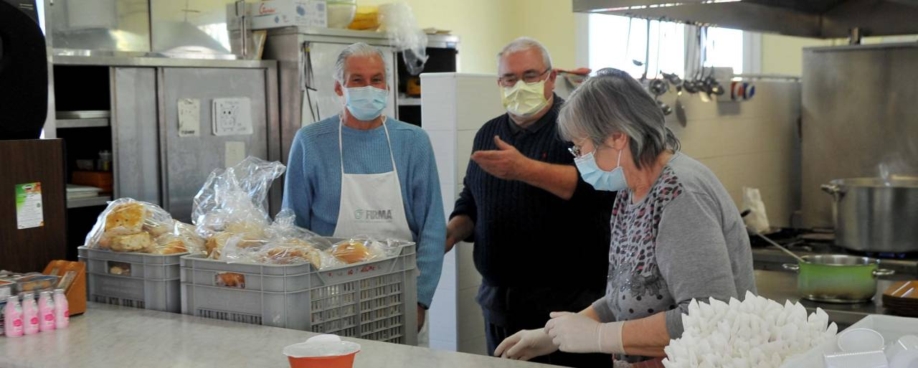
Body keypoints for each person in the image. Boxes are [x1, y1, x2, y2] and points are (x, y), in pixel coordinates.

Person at [496, 68, 757, 364]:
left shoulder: (680, 195)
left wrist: (600, 337)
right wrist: (552, 335)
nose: (578, 157)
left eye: (579, 147)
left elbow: (710, 314)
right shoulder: (628, 192)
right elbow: (629, 291)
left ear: (617, 138)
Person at [446, 37, 614, 367]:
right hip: (500, 303)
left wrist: (524, 169)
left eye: (531, 75)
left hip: (570, 305)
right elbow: (472, 198)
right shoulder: (488, 133)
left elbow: (596, 189)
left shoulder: (579, 127)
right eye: (510, 78)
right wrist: (448, 233)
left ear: (551, 78)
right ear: (499, 83)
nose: (519, 85)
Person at [282, 42, 445, 343]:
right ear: (339, 88)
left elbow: (433, 228)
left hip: (399, 294)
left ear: (386, 85)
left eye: (377, 79)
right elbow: (294, 231)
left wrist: (420, 300)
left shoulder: (413, 141)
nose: (368, 88)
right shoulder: (311, 142)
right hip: (328, 296)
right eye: (357, 80)